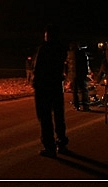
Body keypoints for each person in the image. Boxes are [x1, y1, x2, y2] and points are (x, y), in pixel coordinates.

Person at [32, 24, 69, 157]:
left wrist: (35, 82)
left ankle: (49, 146)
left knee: (45, 117)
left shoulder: (44, 48)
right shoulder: (61, 48)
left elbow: (38, 67)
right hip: (56, 85)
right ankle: (62, 142)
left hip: (44, 86)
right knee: (59, 115)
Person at [67, 42, 91, 111]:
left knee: (75, 91)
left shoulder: (69, 54)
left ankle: (76, 105)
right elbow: (85, 64)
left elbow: (67, 64)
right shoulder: (81, 53)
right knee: (84, 90)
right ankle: (85, 105)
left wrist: (68, 74)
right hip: (81, 74)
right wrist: (86, 72)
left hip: (73, 75)